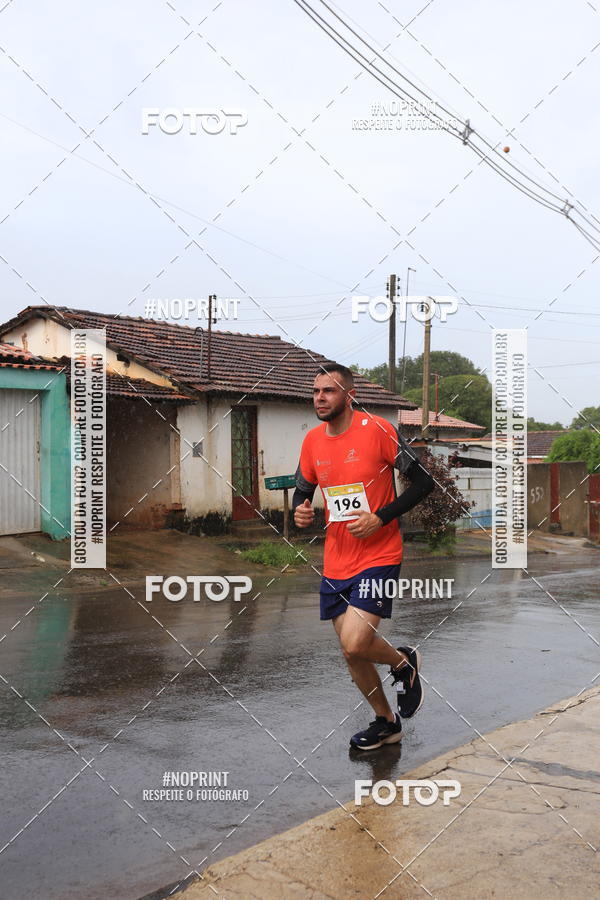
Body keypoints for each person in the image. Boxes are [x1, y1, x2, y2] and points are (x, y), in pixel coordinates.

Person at [293, 363, 434, 750]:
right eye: (316, 391)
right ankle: (386, 722)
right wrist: (300, 510)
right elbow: (302, 490)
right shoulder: (312, 442)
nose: (320, 398)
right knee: (350, 651)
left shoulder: (379, 431)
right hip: (336, 559)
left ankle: (403, 663)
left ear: (349, 395)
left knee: (357, 643)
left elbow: (424, 482)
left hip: (379, 553)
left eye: (329, 391)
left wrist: (380, 517)